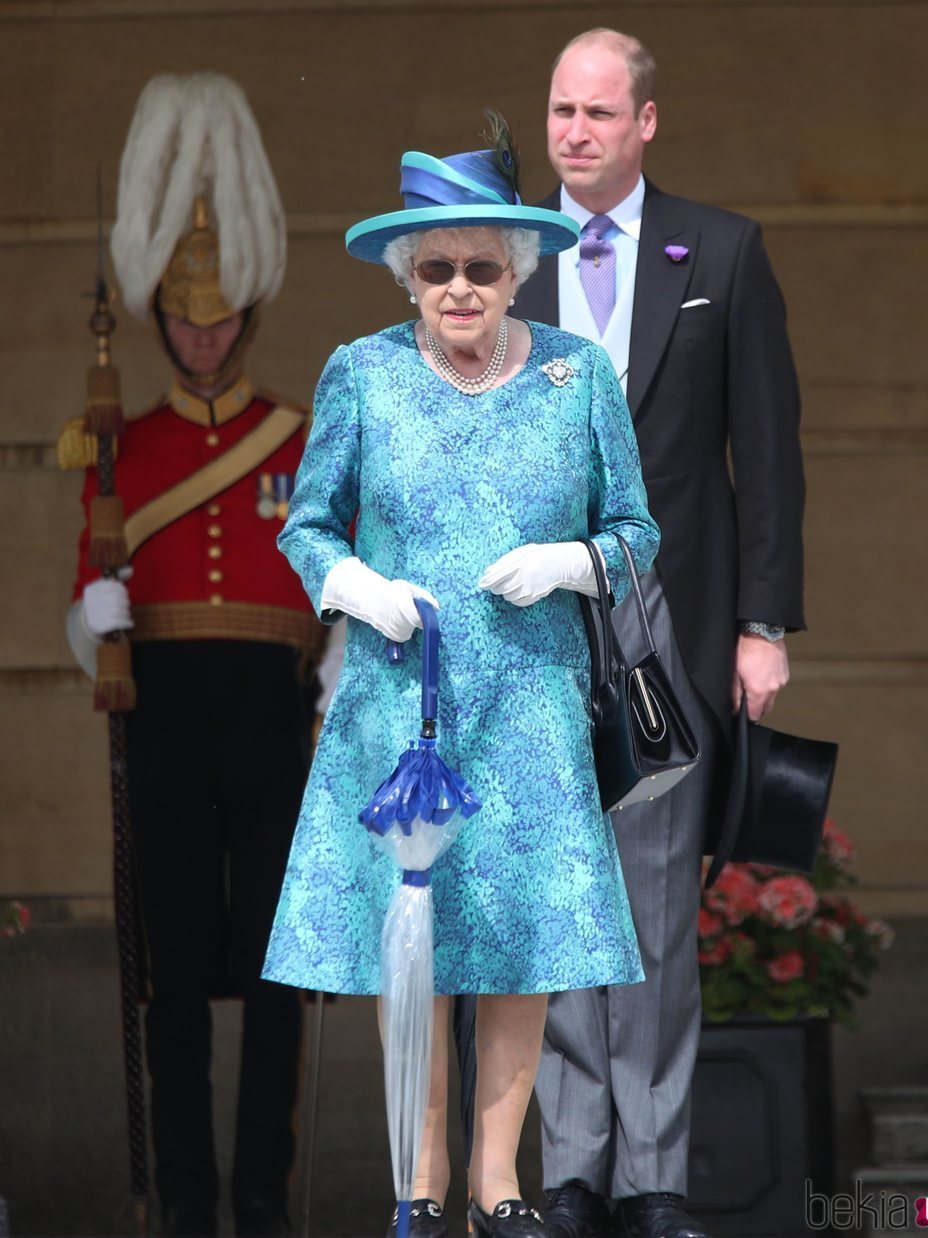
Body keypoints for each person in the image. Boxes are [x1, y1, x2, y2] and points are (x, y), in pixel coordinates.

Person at [260, 118, 661, 1238]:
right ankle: (422, 1180)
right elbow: (305, 526)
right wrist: (350, 583)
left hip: (530, 702)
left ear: (518, 270)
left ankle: (499, 1178)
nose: (458, 287)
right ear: (406, 275)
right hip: (403, 704)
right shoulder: (361, 373)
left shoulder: (578, 376)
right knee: (419, 946)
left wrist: (574, 560)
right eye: (434, 268)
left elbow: (636, 529)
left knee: (519, 947)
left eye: (481, 266)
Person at [512, 29, 807, 1238]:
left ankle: (652, 1179)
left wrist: (761, 623)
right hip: (535, 631)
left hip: (667, 633)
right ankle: (572, 1165)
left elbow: (767, 454)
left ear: (644, 122)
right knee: (555, 904)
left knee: (646, 914)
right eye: (558, 111)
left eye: (595, 112)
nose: (572, 132)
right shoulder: (506, 255)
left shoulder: (721, 251)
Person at [63, 73, 324, 1238]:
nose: (203, 335)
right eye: (185, 318)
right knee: (169, 978)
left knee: (277, 972)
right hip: (162, 706)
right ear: (161, 318)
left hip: (272, 710)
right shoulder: (121, 441)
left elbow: (333, 573)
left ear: (246, 319)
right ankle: (185, 1199)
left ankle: (261, 1196)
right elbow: (91, 579)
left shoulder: (299, 434)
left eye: (219, 320)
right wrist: (99, 611)